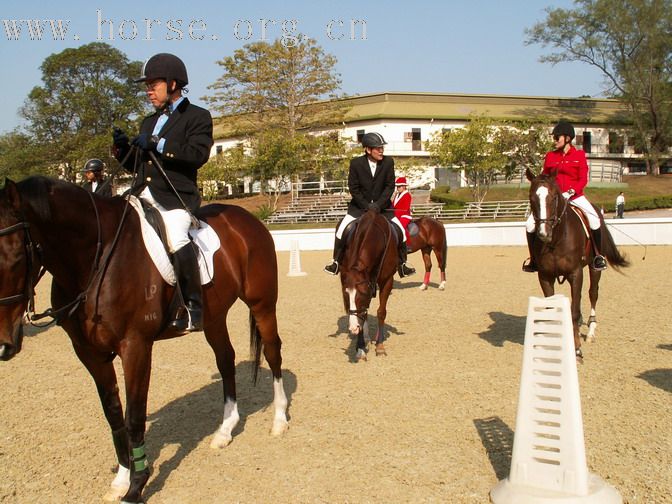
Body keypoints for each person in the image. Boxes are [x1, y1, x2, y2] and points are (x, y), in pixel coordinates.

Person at [111, 53, 213, 332]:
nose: (148, 91)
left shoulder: (198, 117)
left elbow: (197, 155)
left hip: (175, 198)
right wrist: (122, 149)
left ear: (172, 84)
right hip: (142, 193)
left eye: (153, 85)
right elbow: (139, 166)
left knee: (176, 234)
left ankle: (194, 306)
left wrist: (158, 142)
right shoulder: (148, 121)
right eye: (147, 86)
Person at [323, 132, 416, 277]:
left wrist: (378, 205)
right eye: (377, 148)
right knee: (341, 229)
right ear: (368, 149)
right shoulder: (356, 163)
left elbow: (389, 186)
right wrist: (367, 205)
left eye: (382, 148)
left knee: (401, 231)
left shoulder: (388, 162)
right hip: (359, 208)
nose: (381, 150)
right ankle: (336, 262)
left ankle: (402, 264)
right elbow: (353, 188)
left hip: (383, 208)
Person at [523, 120, 607, 272]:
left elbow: (583, 179)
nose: (554, 141)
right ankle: (533, 259)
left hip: (575, 197)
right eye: (554, 138)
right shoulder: (550, 156)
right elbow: (545, 176)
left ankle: (598, 256)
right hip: (553, 199)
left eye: (557, 138)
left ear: (567, 138)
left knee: (595, 220)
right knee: (529, 224)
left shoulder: (579, 155)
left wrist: (571, 191)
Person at [391, 176, 413, 242]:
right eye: (397, 187)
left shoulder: (407, 195)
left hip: (404, 215)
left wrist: (394, 212)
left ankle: (407, 244)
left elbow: (405, 209)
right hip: (396, 215)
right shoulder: (396, 195)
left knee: (400, 227)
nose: (397, 188)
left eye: (399, 186)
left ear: (404, 186)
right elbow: (393, 206)